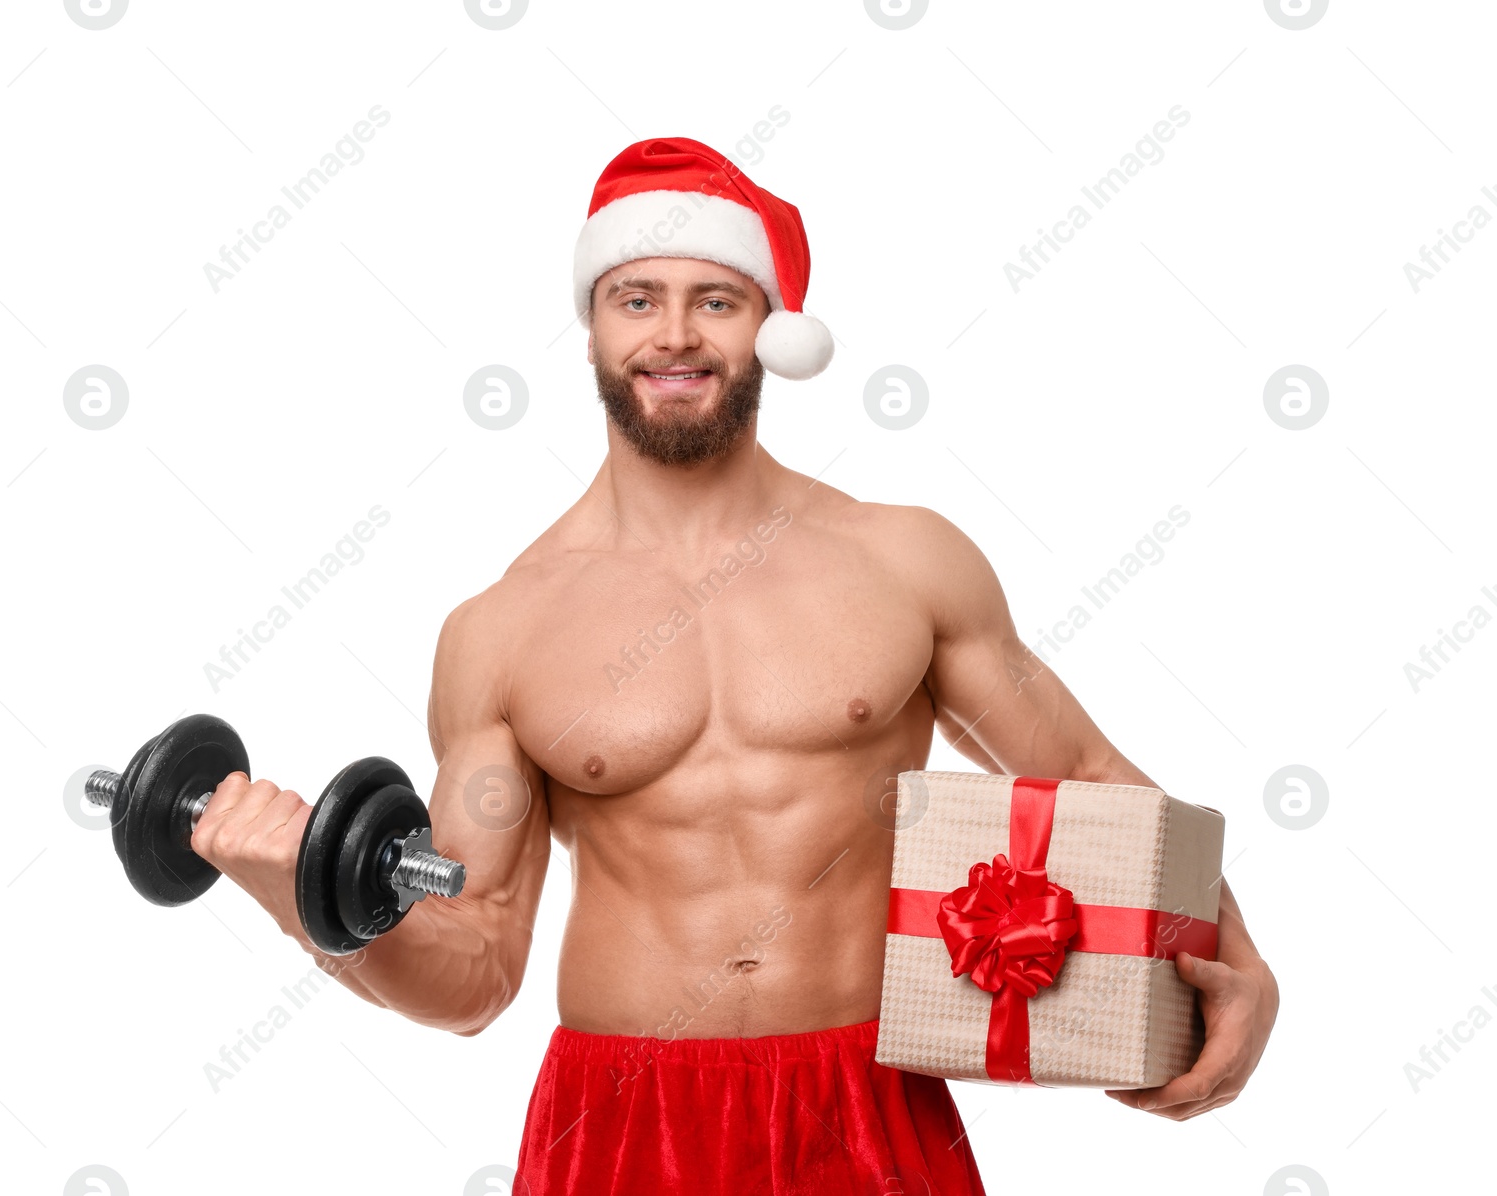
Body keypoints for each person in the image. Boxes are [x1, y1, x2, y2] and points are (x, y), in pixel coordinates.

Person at [189, 137, 1279, 1194]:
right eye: (636, 297)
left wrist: (1242, 963)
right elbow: (471, 972)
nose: (674, 334)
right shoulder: (501, 629)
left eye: (715, 298)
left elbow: (1086, 775)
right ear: (590, 331)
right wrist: (299, 887)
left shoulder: (905, 559)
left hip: (867, 1104)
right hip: (620, 1115)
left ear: (770, 325)